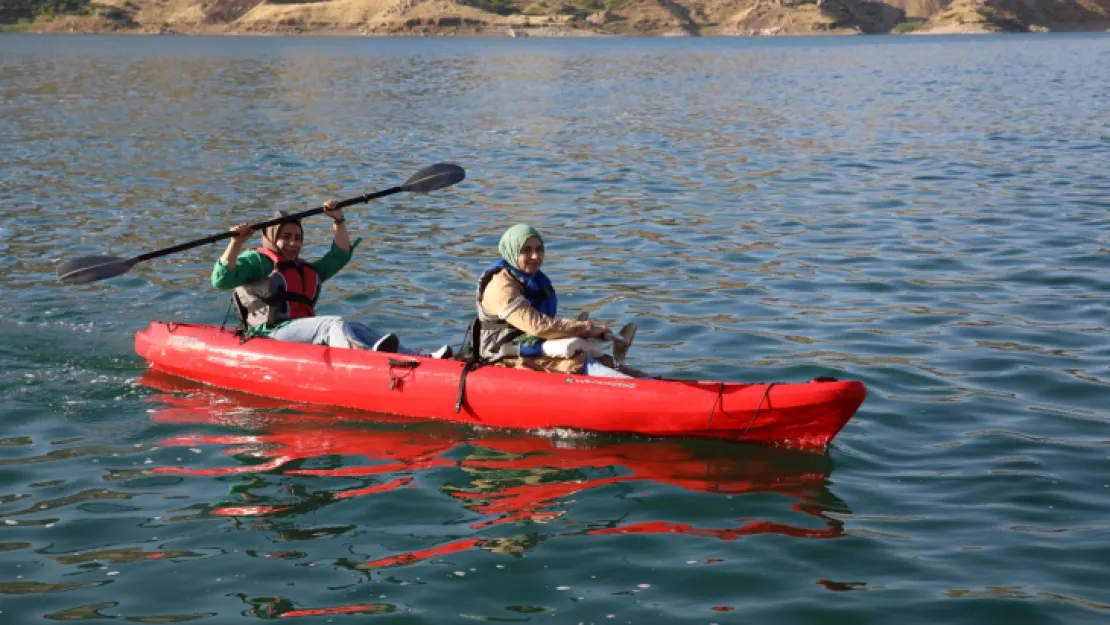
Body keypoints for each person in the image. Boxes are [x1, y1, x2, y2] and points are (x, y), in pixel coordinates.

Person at [212, 200, 451, 358]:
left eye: (298, 237)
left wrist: (338, 220)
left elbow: (340, 255)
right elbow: (221, 279)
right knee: (333, 324)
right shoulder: (257, 261)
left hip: (301, 335)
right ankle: (365, 360)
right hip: (268, 336)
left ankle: (423, 357)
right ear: (271, 238)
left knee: (356, 327)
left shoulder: (307, 270)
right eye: (286, 237)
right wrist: (236, 243)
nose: (294, 243)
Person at [474, 223, 641, 378]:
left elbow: (544, 326)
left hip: (532, 345)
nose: (535, 256)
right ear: (512, 251)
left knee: (600, 359)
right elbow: (537, 326)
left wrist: (584, 331)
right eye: (526, 250)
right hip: (501, 353)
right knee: (577, 363)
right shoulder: (501, 286)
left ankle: (649, 382)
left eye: (539, 249)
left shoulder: (535, 279)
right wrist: (586, 329)